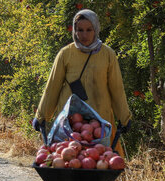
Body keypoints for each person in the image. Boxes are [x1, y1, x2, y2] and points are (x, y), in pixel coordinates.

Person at [32, 9, 132, 155]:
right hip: (70, 121)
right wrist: (41, 116)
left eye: (89, 30)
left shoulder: (108, 54)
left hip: (99, 121)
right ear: (74, 30)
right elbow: (52, 87)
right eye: (80, 30)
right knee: (69, 158)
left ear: (96, 29)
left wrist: (124, 117)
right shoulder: (65, 54)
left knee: (98, 160)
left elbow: (117, 89)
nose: (84, 35)